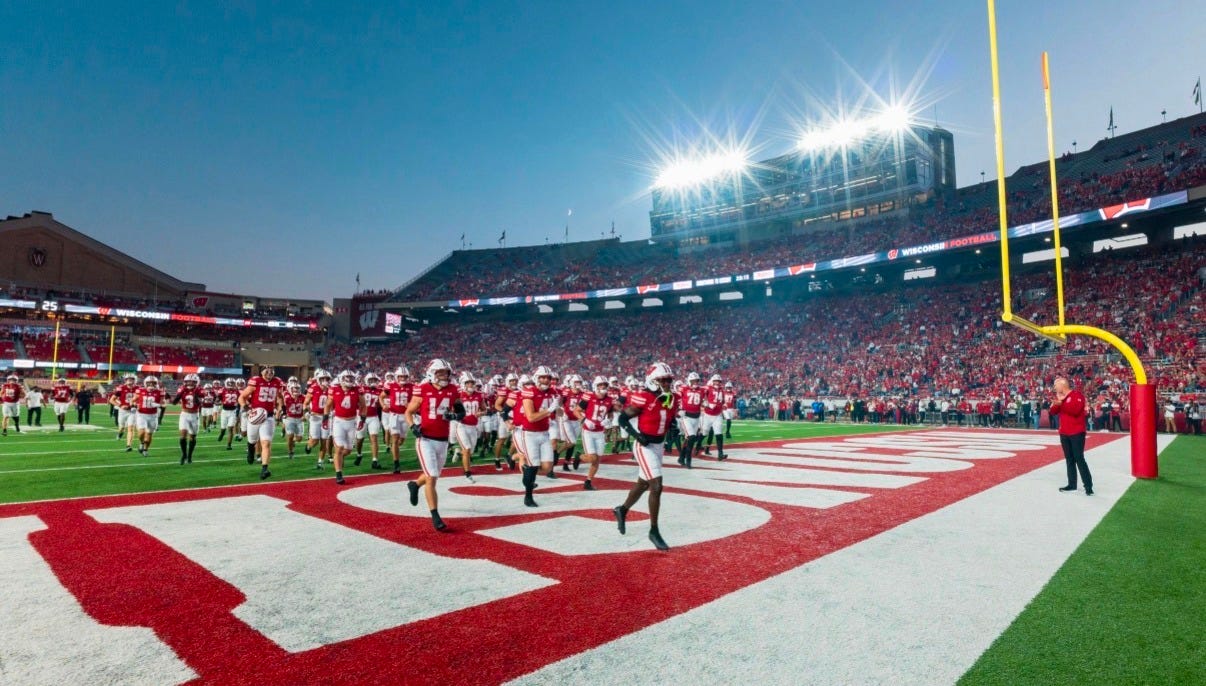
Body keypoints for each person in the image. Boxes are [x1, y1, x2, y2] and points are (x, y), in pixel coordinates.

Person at [613, 362, 679, 551]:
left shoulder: (672, 397)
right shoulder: (644, 397)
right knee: (656, 485)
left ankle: (622, 509)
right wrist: (636, 435)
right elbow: (623, 418)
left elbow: (669, 416)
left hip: (658, 445)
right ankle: (654, 531)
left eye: (668, 380)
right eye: (663, 380)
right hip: (644, 445)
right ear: (652, 381)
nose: (667, 383)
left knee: (643, 483)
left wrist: (673, 426)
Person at [403, 358, 462, 531]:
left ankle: (414, 484)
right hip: (426, 439)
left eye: (446, 372)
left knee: (432, 475)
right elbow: (409, 411)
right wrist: (413, 426)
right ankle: (435, 516)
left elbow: (460, 410)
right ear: (431, 373)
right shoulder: (422, 389)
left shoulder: (453, 389)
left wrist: (455, 416)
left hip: (443, 439)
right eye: (440, 372)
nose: (444, 376)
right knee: (432, 478)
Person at [519, 366, 560, 506]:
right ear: (537, 378)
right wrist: (549, 410)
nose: (545, 380)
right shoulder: (529, 392)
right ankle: (528, 496)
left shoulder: (553, 392)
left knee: (548, 466)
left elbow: (558, 413)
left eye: (548, 378)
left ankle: (527, 473)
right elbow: (531, 417)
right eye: (542, 377)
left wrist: (559, 409)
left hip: (545, 433)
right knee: (533, 465)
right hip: (529, 434)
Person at [240, 366, 285, 480]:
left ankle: (265, 469)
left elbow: (280, 397)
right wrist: (246, 408)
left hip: (269, 417)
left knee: (266, 443)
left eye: (271, 371)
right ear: (262, 372)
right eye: (267, 371)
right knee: (252, 441)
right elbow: (242, 397)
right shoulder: (256, 381)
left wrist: (280, 408)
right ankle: (250, 451)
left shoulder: (277, 382)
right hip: (255, 415)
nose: (269, 373)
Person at [1050, 377, 1092, 496]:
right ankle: (1072, 484)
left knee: (1079, 458)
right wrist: (1058, 403)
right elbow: (1052, 412)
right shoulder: (1061, 398)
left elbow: (1075, 410)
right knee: (1069, 460)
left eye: (1056, 385)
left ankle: (1088, 486)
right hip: (1064, 433)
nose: (1054, 388)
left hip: (1077, 432)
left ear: (1063, 385)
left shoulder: (1077, 395)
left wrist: (1061, 403)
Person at [325, 370, 365, 485]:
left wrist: (362, 419)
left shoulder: (357, 389)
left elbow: (363, 406)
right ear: (341, 378)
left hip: (352, 421)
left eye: (351, 378)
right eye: (347, 378)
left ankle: (338, 458)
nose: (349, 380)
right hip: (338, 422)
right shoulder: (334, 389)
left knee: (347, 450)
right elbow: (328, 405)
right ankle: (339, 474)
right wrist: (325, 418)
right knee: (339, 448)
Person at [574, 376, 612, 490]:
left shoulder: (609, 400)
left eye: (605, 386)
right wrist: (585, 420)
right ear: (595, 386)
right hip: (588, 431)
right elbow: (576, 411)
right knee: (592, 458)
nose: (603, 388)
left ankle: (588, 481)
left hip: (600, 432)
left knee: (597, 459)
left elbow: (610, 413)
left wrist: (609, 419)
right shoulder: (588, 396)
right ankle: (579, 457)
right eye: (600, 385)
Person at [172, 374, 202, 464]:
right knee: (183, 436)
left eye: (193, 382)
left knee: (192, 437)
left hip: (194, 415)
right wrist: (180, 393)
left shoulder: (200, 390)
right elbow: (174, 402)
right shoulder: (182, 389)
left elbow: (199, 403)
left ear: (197, 382)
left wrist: (195, 393)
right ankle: (184, 454)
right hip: (184, 414)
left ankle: (190, 455)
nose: (190, 383)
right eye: (188, 381)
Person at [133, 376, 165, 456]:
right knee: (141, 432)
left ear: (156, 384)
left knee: (149, 433)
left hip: (153, 415)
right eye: (149, 383)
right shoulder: (140, 390)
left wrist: (157, 404)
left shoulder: (159, 392)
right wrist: (133, 405)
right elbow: (133, 400)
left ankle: (145, 449)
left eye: (153, 383)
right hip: (141, 414)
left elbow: (163, 404)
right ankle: (141, 442)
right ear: (145, 384)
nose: (151, 385)